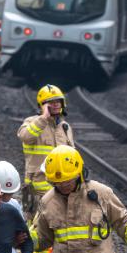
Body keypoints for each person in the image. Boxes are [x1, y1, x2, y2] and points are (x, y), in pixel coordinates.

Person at [17, 84, 74, 219]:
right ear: (42, 105)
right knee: (34, 225)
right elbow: (25, 136)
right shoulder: (32, 121)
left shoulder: (65, 127)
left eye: (58, 101)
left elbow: (72, 154)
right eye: (51, 102)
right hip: (35, 190)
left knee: (58, 224)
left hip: (61, 186)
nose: (56, 104)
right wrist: (44, 118)